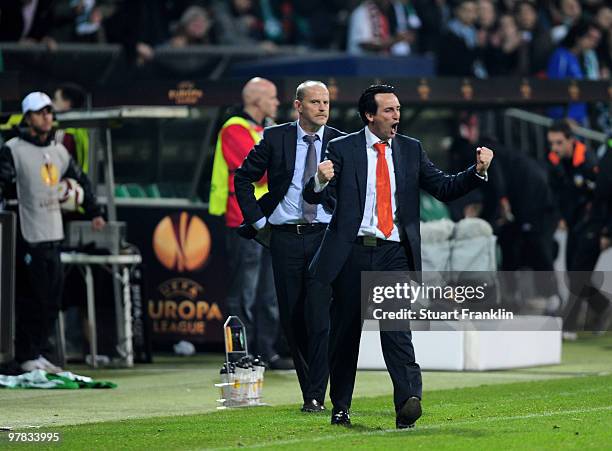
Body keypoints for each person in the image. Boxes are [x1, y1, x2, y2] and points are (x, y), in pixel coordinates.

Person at [304, 84, 493, 428]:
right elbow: (317, 196)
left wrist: (476, 171)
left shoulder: (410, 149)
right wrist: (318, 180)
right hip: (351, 253)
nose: (397, 117)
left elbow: (443, 186)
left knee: (396, 329)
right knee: (346, 334)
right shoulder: (342, 148)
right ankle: (341, 407)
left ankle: (408, 401)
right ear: (369, 115)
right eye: (389, 110)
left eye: (399, 110)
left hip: (393, 253)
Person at [234, 81, 344, 412]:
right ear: (298, 106)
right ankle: (309, 388)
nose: (323, 108)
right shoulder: (275, 137)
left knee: (321, 318)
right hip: (283, 238)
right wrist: (258, 223)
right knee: (293, 319)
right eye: (315, 102)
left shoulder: (340, 141)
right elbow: (242, 179)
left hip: (325, 236)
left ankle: (315, 395)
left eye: (326, 102)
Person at [0, 92, 105, 373]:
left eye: (49, 111)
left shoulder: (59, 151)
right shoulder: (13, 149)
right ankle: (24, 354)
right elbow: (4, 184)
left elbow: (81, 179)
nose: (47, 116)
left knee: (52, 298)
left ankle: (36, 352)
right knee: (30, 298)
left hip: (53, 232)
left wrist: (94, 211)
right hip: (26, 233)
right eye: (40, 112)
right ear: (27, 117)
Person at [208, 77, 285, 369]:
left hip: (270, 220)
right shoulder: (234, 129)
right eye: (273, 97)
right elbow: (258, 174)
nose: (277, 103)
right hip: (243, 221)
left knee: (268, 293)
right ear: (256, 101)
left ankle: (267, 351)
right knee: (244, 293)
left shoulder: (264, 130)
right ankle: (240, 354)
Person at [547, 120, 611, 337]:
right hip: (575, 224)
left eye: (559, 143)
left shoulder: (590, 162)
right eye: (552, 143)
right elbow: (555, 194)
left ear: (571, 140)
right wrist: (560, 217)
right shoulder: (555, 162)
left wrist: (606, 231)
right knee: (574, 275)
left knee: (577, 275)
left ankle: (569, 326)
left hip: (593, 224)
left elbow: (604, 198)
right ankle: (603, 308)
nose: (554, 148)